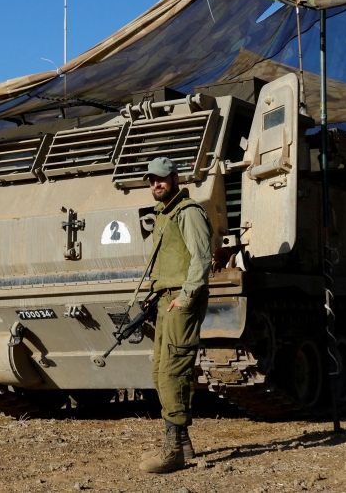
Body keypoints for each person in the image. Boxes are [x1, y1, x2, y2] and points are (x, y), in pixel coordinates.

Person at [138, 156, 212, 474]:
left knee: (172, 372)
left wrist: (184, 298)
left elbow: (202, 257)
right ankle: (183, 443)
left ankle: (172, 453)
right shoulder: (165, 214)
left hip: (182, 300)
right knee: (159, 372)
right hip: (165, 299)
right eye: (153, 179)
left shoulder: (188, 212)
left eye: (163, 178)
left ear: (176, 179)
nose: (157, 184)